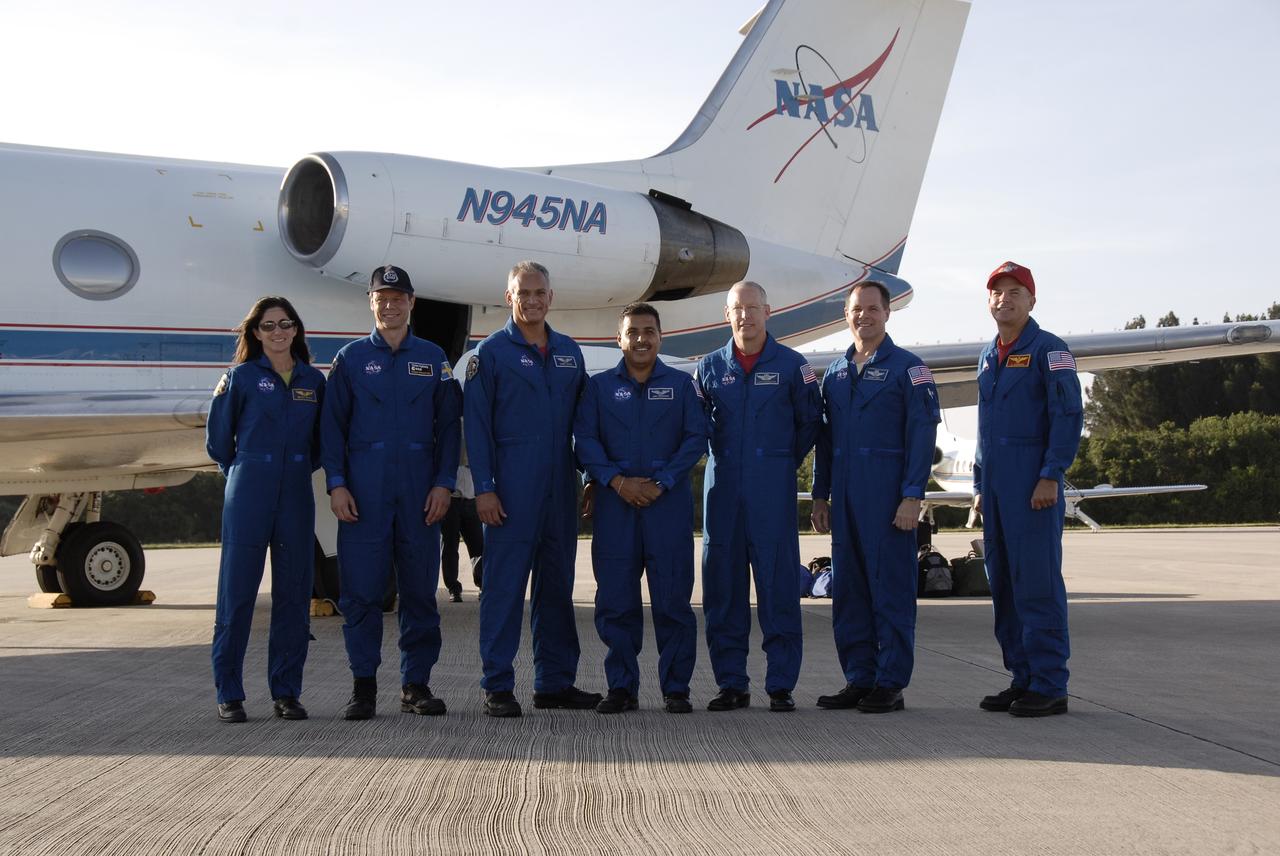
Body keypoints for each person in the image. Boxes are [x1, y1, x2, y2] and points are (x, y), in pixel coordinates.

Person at [321, 264, 461, 720]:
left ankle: (415, 685)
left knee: (420, 593)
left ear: (411, 303)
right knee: (361, 594)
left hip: (421, 494)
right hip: (364, 495)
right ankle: (363, 688)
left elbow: (449, 430)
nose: (390, 305)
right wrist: (337, 485)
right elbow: (332, 430)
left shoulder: (434, 358)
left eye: (398, 298)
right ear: (371, 303)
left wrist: (444, 483)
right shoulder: (350, 360)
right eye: (381, 298)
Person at [464, 260, 601, 718]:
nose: (533, 300)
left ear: (550, 297)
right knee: (503, 588)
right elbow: (477, 429)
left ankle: (554, 681)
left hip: (560, 485)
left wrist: (591, 477)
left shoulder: (568, 352)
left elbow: (586, 423)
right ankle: (498, 684)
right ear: (510, 298)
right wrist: (484, 488)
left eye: (540, 292)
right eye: (523, 293)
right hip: (510, 488)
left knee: (557, 587)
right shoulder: (490, 355)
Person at [810, 282, 940, 713]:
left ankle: (891, 682)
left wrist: (911, 496)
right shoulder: (835, 373)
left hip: (888, 500)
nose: (863, 316)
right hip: (844, 500)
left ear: (887, 314)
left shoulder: (909, 369)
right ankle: (858, 678)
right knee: (849, 593)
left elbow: (922, 435)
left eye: (871, 309)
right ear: (846, 316)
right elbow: (824, 443)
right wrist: (820, 495)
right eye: (855, 310)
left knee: (891, 591)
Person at [574, 303, 708, 714]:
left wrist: (663, 482)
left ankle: (676, 688)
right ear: (619, 339)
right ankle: (622, 687)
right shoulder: (597, 388)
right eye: (633, 332)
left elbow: (695, 439)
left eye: (649, 331)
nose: (642, 339)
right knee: (616, 600)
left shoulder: (683, 387)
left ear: (660, 337)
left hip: (666, 506)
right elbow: (586, 442)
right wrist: (615, 481)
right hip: (616, 507)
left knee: (672, 600)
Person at [696, 281, 823, 712]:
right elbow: (696, 426)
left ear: (768, 312)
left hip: (772, 492)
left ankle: (780, 684)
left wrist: (779, 459)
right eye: (737, 308)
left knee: (779, 587)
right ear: (726, 315)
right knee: (723, 591)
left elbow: (811, 423)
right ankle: (731, 684)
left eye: (753, 307)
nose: (745, 315)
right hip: (723, 491)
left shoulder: (793, 366)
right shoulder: (709, 367)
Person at [206, 296, 325, 723]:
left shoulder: (314, 379)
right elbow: (219, 443)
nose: (278, 332)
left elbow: (319, 447)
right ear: (255, 333)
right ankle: (229, 693)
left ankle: (286, 692)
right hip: (249, 489)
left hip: (295, 491)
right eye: (269, 326)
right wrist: (249, 469)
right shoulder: (238, 378)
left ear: (296, 330)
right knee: (236, 596)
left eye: (285, 324)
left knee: (294, 595)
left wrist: (288, 467)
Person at [973, 261, 1083, 717]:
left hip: (1032, 483)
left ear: (1032, 301)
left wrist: (1050, 474)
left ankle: (1050, 683)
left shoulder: (1049, 350)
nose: (1005, 299)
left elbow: (1068, 416)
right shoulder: (988, 354)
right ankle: (1021, 677)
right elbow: (984, 427)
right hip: (996, 487)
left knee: (1036, 584)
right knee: (1003, 584)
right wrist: (980, 484)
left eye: (1015, 291)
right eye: (998, 292)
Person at [440, 455, 483, 601]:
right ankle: (454, 588)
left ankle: (483, 584)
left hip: (472, 500)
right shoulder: (450, 441)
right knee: (450, 547)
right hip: (452, 500)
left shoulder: (475, 442)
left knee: (478, 546)